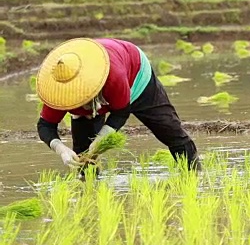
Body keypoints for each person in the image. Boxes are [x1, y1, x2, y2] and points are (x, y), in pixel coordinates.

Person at [35, 38, 200, 171]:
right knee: (84, 155)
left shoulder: (114, 76)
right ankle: (90, 193)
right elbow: (45, 125)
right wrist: (61, 150)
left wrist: (102, 136)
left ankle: (193, 175)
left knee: (168, 129)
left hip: (135, 74)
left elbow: (121, 112)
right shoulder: (57, 92)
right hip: (103, 92)